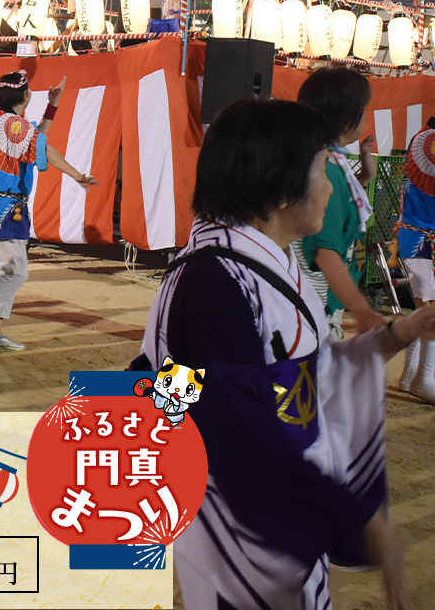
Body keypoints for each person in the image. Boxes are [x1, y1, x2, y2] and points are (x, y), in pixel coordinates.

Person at [134, 97, 435, 610]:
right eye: (322, 169)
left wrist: (399, 333)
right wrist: (356, 516)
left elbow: (291, 377)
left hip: (268, 510)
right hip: (241, 529)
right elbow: (231, 422)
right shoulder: (212, 279)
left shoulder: (253, 262)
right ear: (279, 190)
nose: (329, 187)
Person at [0, 72, 96, 352]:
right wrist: (78, 176)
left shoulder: (5, 123)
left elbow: (37, 137)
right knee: (14, 274)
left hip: (3, 206)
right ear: (25, 96)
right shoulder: (13, 125)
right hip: (6, 208)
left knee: (5, 272)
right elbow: (45, 148)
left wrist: (53, 105)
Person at [296, 66, 386, 336]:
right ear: (348, 122)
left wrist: (365, 177)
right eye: (364, 110)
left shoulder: (323, 161)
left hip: (311, 307)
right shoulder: (326, 169)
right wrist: (362, 310)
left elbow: (336, 206)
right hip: (315, 311)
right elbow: (324, 250)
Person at [395, 118, 435, 402]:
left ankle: (412, 375)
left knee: (425, 304)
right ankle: (425, 377)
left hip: (412, 237)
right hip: (425, 239)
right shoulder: (431, 145)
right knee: (430, 308)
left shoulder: (421, 140)